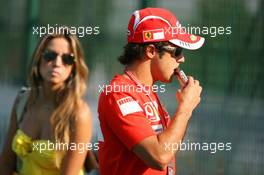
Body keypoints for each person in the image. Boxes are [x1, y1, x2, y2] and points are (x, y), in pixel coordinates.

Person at [97, 7, 204, 175]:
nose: (182, 59)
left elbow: (169, 148)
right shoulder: (119, 93)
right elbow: (160, 157)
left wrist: (185, 110)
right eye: (177, 51)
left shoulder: (147, 93)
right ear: (151, 51)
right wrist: (185, 108)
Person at [0, 28, 93, 175]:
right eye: (50, 55)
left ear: (74, 67)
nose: (57, 63)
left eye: (67, 59)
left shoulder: (79, 113)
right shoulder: (22, 100)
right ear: (38, 58)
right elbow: (5, 163)